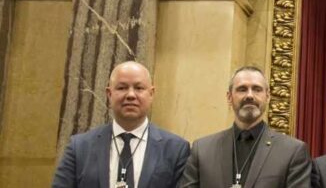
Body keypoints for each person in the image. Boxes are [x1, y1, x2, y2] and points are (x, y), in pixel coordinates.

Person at [52, 61, 190, 188]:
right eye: (122, 88)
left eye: (139, 88)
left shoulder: (176, 149)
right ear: (109, 93)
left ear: (151, 94)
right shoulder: (79, 147)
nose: (130, 95)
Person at [179, 66, 312, 188]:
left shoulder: (292, 152)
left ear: (268, 97)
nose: (249, 95)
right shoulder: (202, 150)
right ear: (229, 97)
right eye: (242, 89)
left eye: (257, 89)